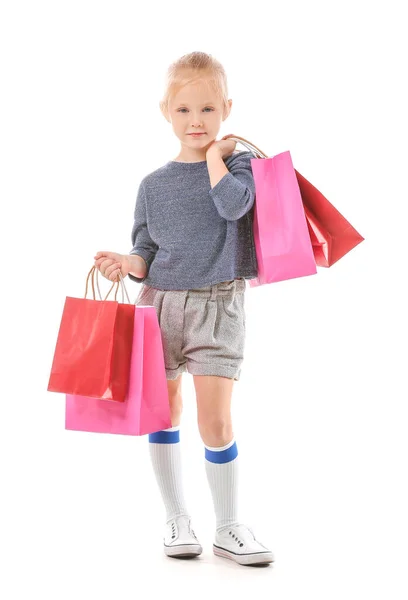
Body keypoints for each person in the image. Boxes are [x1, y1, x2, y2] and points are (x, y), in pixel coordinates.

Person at [94, 51, 274, 567]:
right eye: (184, 111)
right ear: (165, 112)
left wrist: (218, 157)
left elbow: (234, 207)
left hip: (219, 306)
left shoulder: (238, 169)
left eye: (208, 110)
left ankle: (230, 526)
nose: (196, 121)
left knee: (216, 422)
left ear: (226, 110)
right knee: (164, 411)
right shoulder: (152, 185)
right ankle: (177, 518)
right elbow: (146, 254)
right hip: (161, 305)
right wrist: (123, 262)